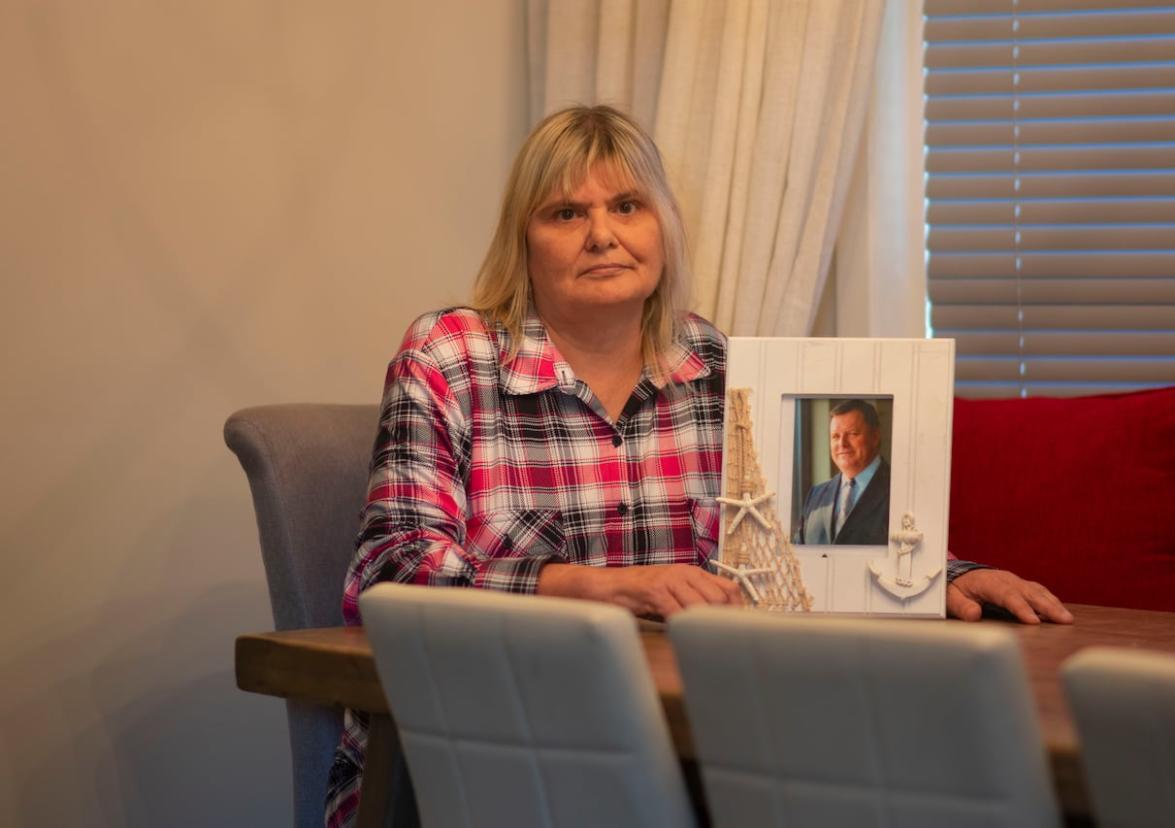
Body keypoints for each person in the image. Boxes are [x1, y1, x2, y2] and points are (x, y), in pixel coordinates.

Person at [325, 104, 1073, 827]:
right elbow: (392, 573)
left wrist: (942, 576)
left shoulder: (713, 362)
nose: (602, 236)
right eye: (564, 214)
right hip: (485, 747)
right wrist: (594, 588)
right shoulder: (448, 356)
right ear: (523, 242)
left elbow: (800, 539)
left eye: (627, 206)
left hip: (693, 747)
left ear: (664, 229)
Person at [799, 399, 889, 545]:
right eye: (835, 436)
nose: (842, 444)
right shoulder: (816, 495)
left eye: (853, 434)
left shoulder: (898, 489)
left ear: (875, 437)